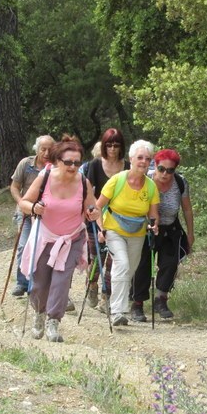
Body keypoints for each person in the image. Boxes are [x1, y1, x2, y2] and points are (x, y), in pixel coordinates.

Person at [18, 135, 99, 342]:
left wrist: (93, 213)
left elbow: (93, 207)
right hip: (45, 236)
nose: (73, 166)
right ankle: (39, 313)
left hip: (72, 238)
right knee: (40, 283)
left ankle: (53, 322)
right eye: (68, 162)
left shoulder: (83, 181)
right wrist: (34, 207)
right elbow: (24, 203)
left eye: (77, 162)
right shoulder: (45, 177)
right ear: (57, 161)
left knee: (61, 282)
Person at [95, 139, 159, 327]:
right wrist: (101, 229)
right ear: (131, 159)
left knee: (129, 270)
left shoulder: (151, 186)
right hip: (114, 229)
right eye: (140, 158)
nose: (143, 162)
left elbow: (153, 215)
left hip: (137, 233)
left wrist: (154, 226)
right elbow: (97, 207)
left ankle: (113, 303)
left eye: (147, 159)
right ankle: (118, 312)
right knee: (121, 265)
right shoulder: (117, 180)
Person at [130, 148, 195, 321]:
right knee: (142, 265)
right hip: (146, 227)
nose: (165, 174)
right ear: (155, 166)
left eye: (170, 170)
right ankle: (137, 304)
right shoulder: (145, 180)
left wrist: (190, 233)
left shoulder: (181, 183)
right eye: (162, 169)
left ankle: (161, 298)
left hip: (171, 227)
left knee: (170, 263)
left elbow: (187, 209)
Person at [85, 129, 127, 310]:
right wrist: (97, 210)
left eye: (116, 145)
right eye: (108, 145)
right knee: (96, 256)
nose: (112, 149)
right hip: (95, 216)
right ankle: (92, 283)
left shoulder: (127, 166)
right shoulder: (95, 165)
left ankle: (106, 295)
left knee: (113, 260)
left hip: (118, 218)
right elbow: (89, 191)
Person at [10, 135, 55, 297]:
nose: (47, 152)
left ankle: (37, 283)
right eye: (43, 149)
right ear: (37, 149)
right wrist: (22, 202)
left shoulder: (56, 167)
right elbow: (15, 186)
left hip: (46, 214)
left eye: (50, 149)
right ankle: (22, 282)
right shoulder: (26, 164)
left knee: (42, 249)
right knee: (24, 245)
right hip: (26, 212)